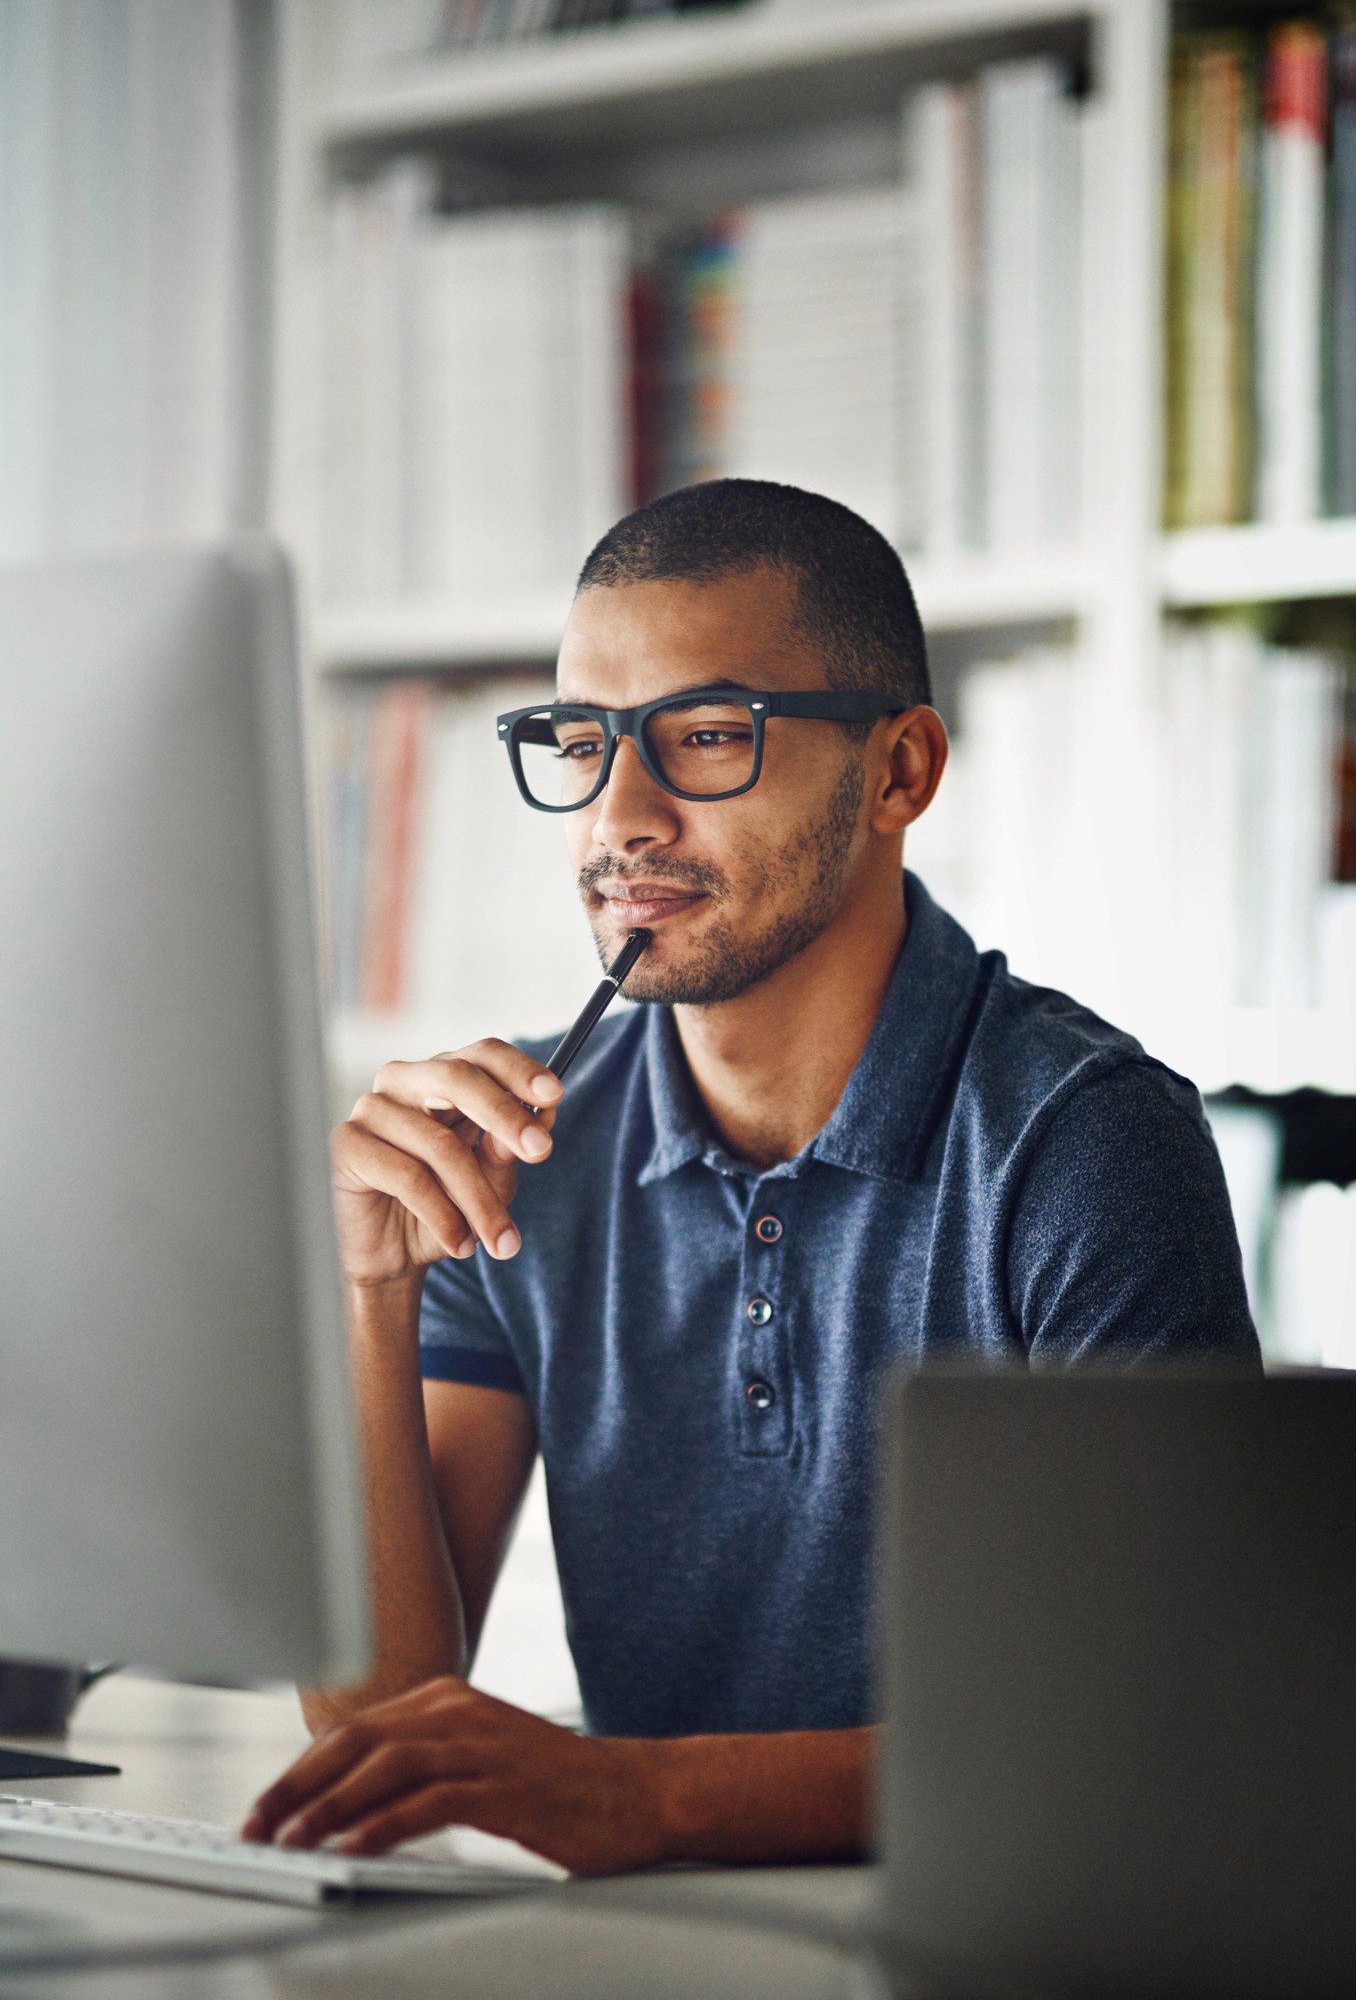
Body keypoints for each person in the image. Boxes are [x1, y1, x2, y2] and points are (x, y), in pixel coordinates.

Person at [244, 480, 1258, 1871]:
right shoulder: (511, 1152)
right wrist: (363, 1292)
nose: (620, 818)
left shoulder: (1081, 1141)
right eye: (580, 744)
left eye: (708, 736)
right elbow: (385, 1726)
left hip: (1012, 1966)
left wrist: (637, 1800)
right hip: (654, 1972)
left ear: (899, 771)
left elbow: (1150, 1737)